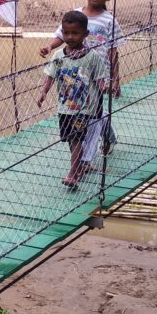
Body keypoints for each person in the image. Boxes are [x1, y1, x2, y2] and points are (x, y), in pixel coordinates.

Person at [39, 0, 123, 172]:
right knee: (93, 113)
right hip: (75, 74)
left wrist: (115, 79)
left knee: (93, 116)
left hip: (97, 73)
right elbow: (61, 36)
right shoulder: (75, 14)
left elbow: (113, 51)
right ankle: (109, 137)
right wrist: (49, 47)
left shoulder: (109, 20)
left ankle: (85, 161)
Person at [37, 11, 107, 189]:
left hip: (84, 109)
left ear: (85, 34)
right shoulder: (59, 56)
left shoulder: (92, 57)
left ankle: (73, 172)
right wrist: (43, 92)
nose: (70, 37)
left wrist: (104, 87)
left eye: (75, 33)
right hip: (65, 107)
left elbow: (99, 79)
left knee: (76, 139)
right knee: (70, 139)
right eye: (66, 33)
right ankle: (76, 167)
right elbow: (51, 76)